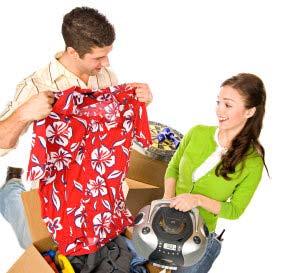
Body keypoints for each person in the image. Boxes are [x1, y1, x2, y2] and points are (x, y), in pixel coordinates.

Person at [0, 6, 152, 249]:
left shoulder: (107, 77)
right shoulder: (37, 85)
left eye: (108, 55)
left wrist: (140, 102)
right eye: (98, 57)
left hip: (97, 192)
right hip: (55, 192)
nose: (107, 62)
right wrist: (24, 113)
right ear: (72, 52)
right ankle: (11, 190)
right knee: (36, 248)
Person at [163, 73, 267, 273]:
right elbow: (173, 167)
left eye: (228, 105)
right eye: (218, 102)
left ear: (250, 111)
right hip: (167, 222)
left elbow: (234, 210)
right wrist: (166, 201)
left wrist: (197, 200)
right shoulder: (197, 133)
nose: (219, 110)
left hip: (199, 238)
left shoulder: (252, 162)